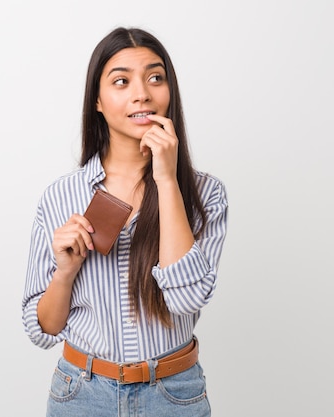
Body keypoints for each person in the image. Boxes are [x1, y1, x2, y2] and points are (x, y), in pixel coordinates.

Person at [22, 26, 228, 417]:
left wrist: (166, 179)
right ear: (97, 100)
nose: (142, 93)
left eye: (155, 77)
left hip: (173, 395)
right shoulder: (60, 196)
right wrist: (64, 273)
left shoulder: (206, 195)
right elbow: (42, 330)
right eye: (121, 81)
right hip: (81, 394)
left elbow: (185, 299)